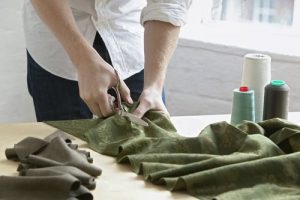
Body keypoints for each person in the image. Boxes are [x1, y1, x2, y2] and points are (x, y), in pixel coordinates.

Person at [24, 0, 192, 121]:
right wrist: (83, 60)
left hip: (130, 39)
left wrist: (154, 86)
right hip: (57, 41)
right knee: (63, 152)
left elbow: (169, 3)